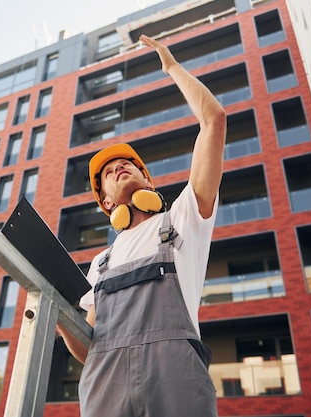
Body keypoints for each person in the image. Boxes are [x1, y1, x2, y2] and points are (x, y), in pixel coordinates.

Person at [56, 34, 226, 417]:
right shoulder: (100, 263)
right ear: (106, 202)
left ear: (148, 183)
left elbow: (213, 121)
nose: (120, 167)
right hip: (105, 385)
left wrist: (171, 67)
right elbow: (89, 348)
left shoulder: (183, 218)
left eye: (129, 164)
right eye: (109, 174)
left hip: (176, 379)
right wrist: (62, 323)